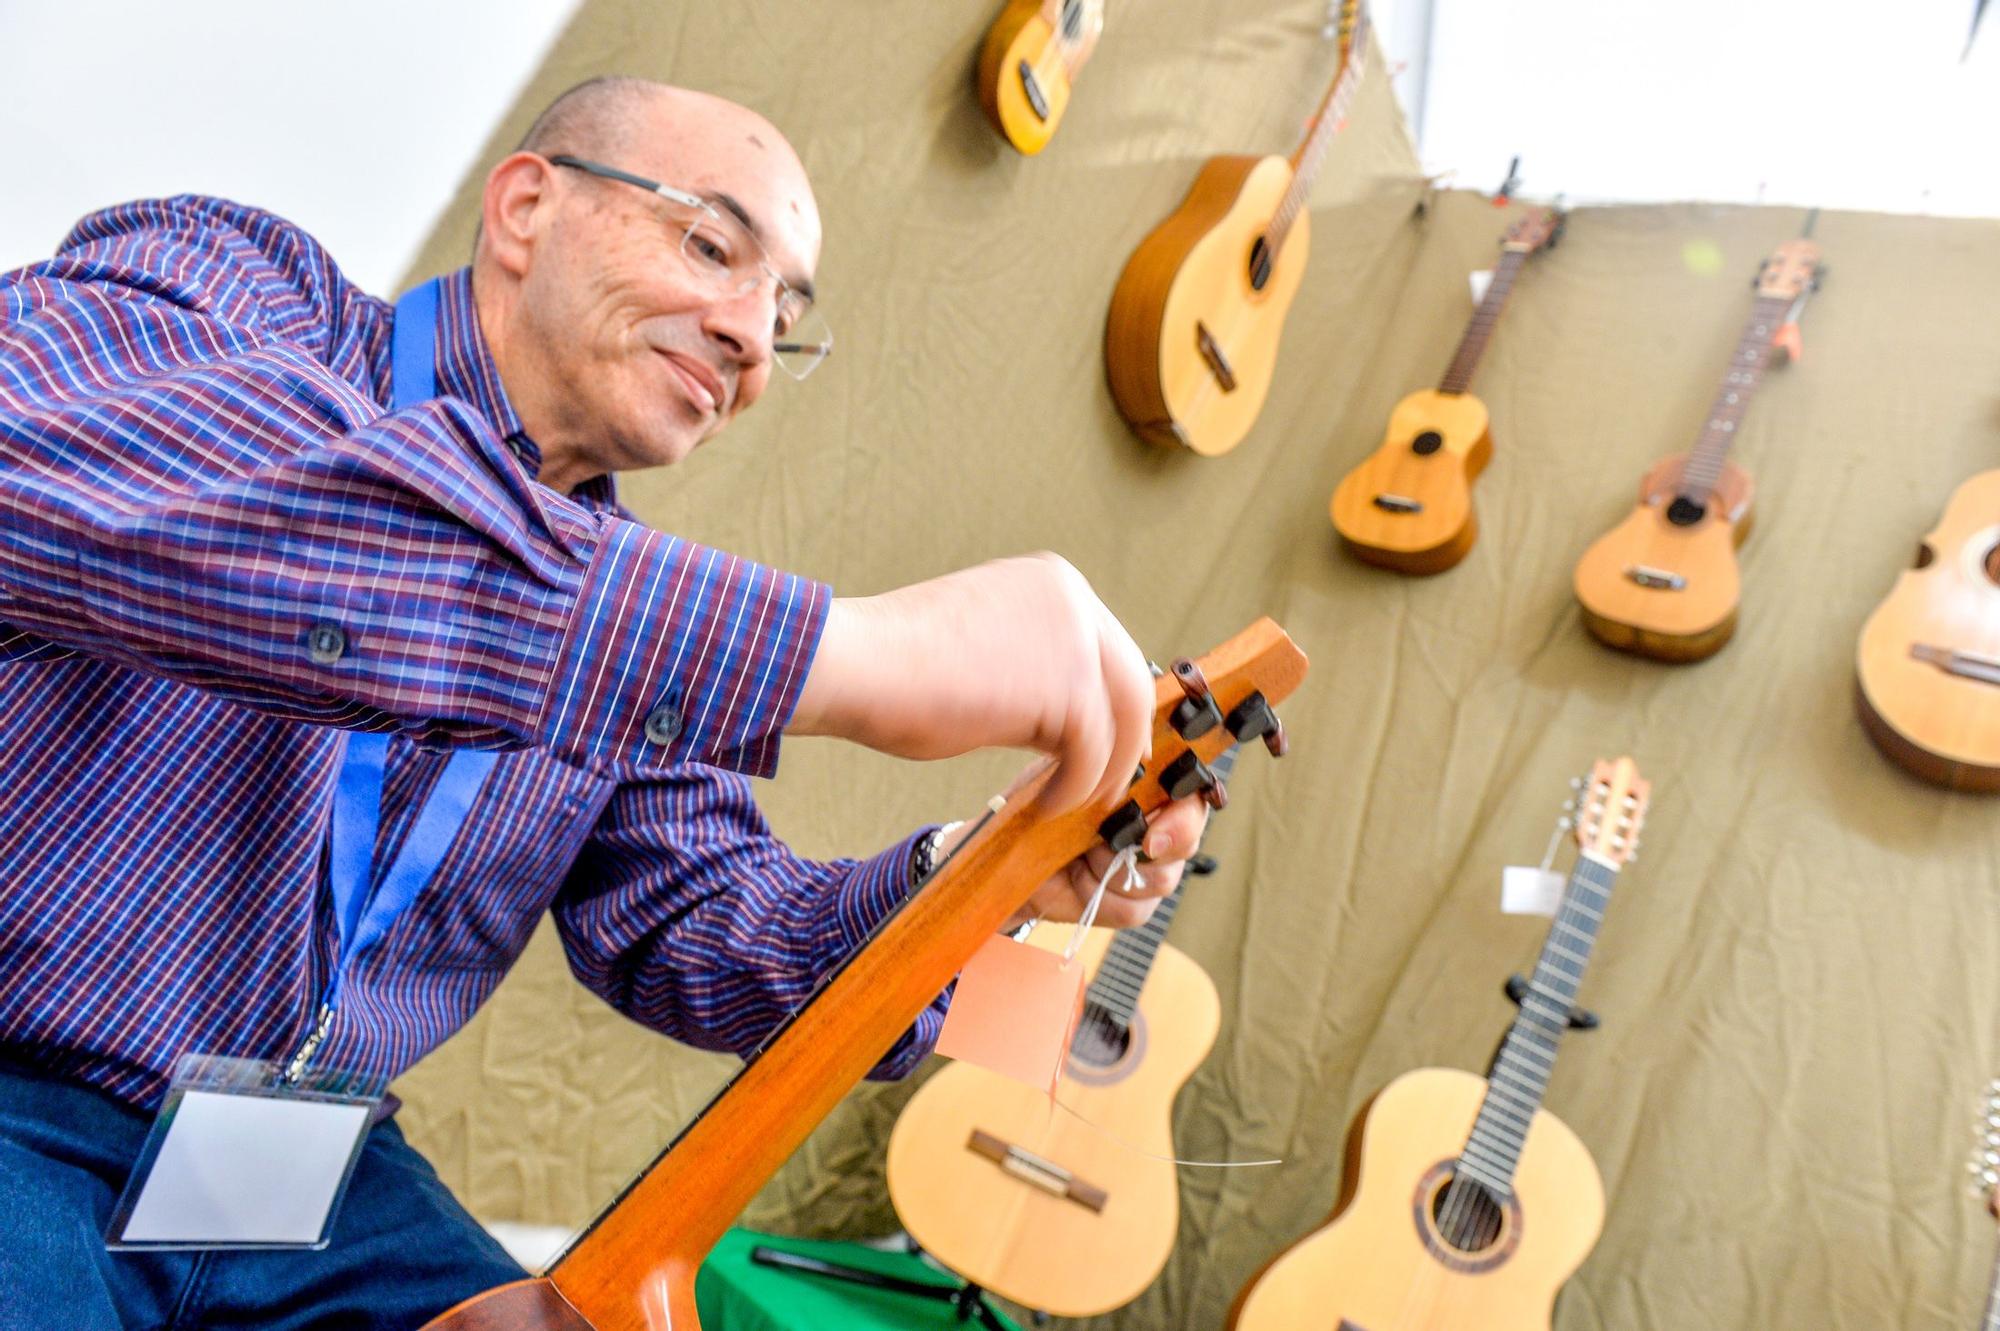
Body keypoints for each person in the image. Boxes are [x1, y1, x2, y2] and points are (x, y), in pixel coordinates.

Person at [0, 77, 1211, 1327]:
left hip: (298, 1172)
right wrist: (843, 655)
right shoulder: (231, 285)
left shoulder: (638, 641)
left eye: (785, 309)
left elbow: (712, 927)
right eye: (711, 244)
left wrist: (976, 887)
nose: (752, 334)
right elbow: (176, 491)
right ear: (526, 208)